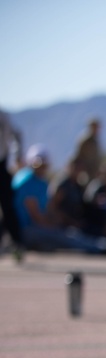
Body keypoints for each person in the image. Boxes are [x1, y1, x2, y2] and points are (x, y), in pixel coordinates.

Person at [13, 145, 106, 254]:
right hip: (28, 229)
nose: (42, 167)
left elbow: (47, 209)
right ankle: (101, 248)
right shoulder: (28, 181)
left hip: (40, 226)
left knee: (69, 234)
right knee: (67, 236)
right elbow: (37, 216)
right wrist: (55, 224)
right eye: (38, 164)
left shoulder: (40, 182)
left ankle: (103, 244)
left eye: (44, 164)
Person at [0, 106, 23, 258]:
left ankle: (17, 243)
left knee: (7, 205)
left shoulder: (3, 116)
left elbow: (17, 135)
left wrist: (17, 155)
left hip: (1, 163)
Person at [73, 117, 103, 184]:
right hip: (85, 172)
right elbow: (78, 155)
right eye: (95, 127)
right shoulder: (85, 141)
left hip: (94, 172)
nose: (97, 129)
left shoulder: (96, 141)